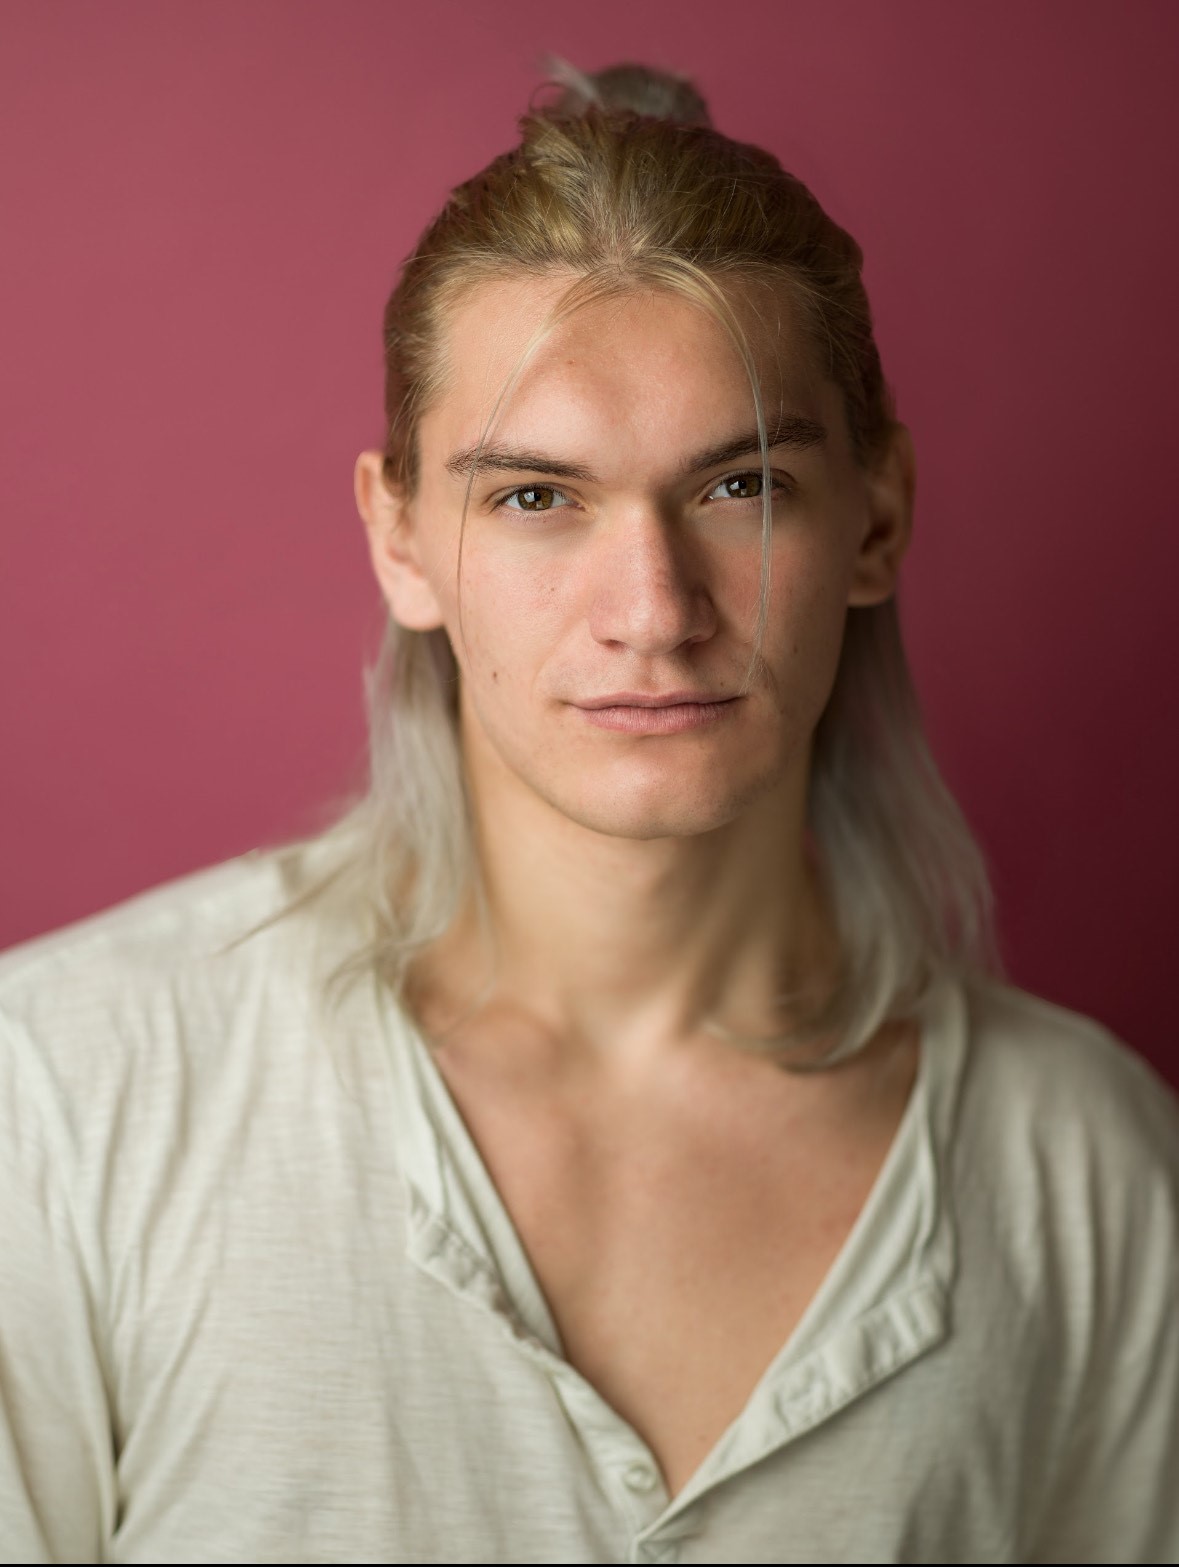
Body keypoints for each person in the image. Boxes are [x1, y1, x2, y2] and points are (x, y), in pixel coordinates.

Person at [1, 56, 1176, 1566]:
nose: (653, 609)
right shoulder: (67, 1102)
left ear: (874, 520)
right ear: (402, 535)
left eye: (740, 485)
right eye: (536, 498)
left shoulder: (1088, 1172)